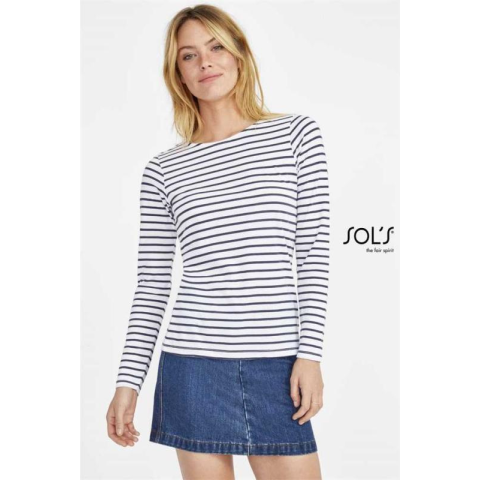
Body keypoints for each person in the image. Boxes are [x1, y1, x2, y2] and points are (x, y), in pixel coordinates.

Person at [106, 5, 330, 480]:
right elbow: (152, 285)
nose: (205, 62)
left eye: (215, 47)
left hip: (278, 364)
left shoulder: (295, 136)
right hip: (193, 367)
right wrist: (128, 383)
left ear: (239, 55)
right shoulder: (164, 170)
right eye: (188, 55)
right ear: (178, 74)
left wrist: (309, 355)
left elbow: (312, 255)